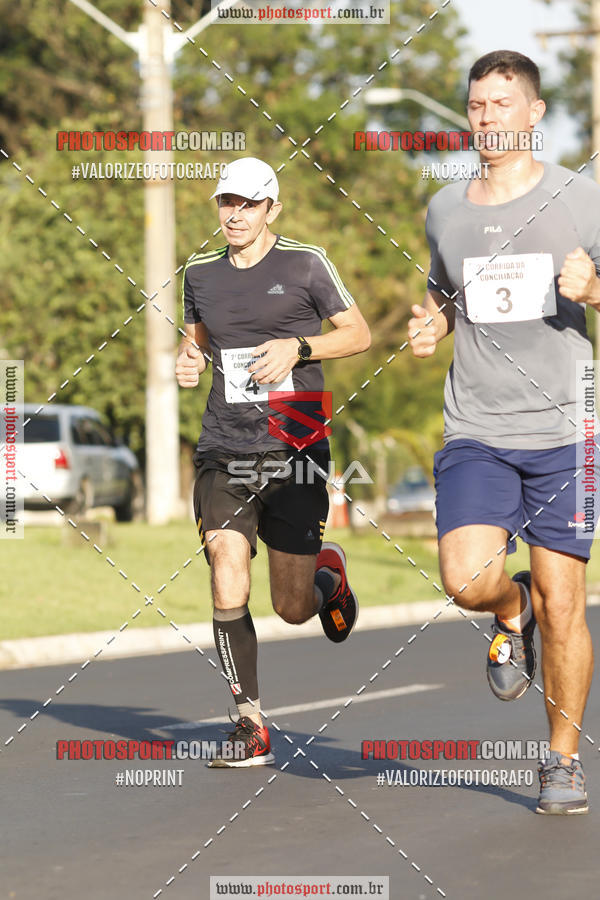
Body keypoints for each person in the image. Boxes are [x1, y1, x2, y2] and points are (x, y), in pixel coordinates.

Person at [408, 50, 600, 814]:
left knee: (567, 601)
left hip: (567, 433)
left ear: (534, 115)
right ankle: (505, 608)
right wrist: (431, 325)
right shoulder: (446, 210)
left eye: (500, 104)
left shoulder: (582, 201)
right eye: (476, 105)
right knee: (464, 580)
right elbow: (443, 294)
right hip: (478, 427)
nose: (485, 119)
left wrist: (596, 288)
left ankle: (560, 762)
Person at [176, 157, 370, 767]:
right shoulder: (200, 275)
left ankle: (326, 577)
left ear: (272, 209)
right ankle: (249, 723)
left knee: (291, 607)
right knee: (225, 562)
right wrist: (185, 363)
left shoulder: (305, 264)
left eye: (247, 204)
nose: (234, 215)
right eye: (225, 203)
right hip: (224, 445)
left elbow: (359, 334)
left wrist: (300, 345)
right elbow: (197, 341)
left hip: (297, 439)